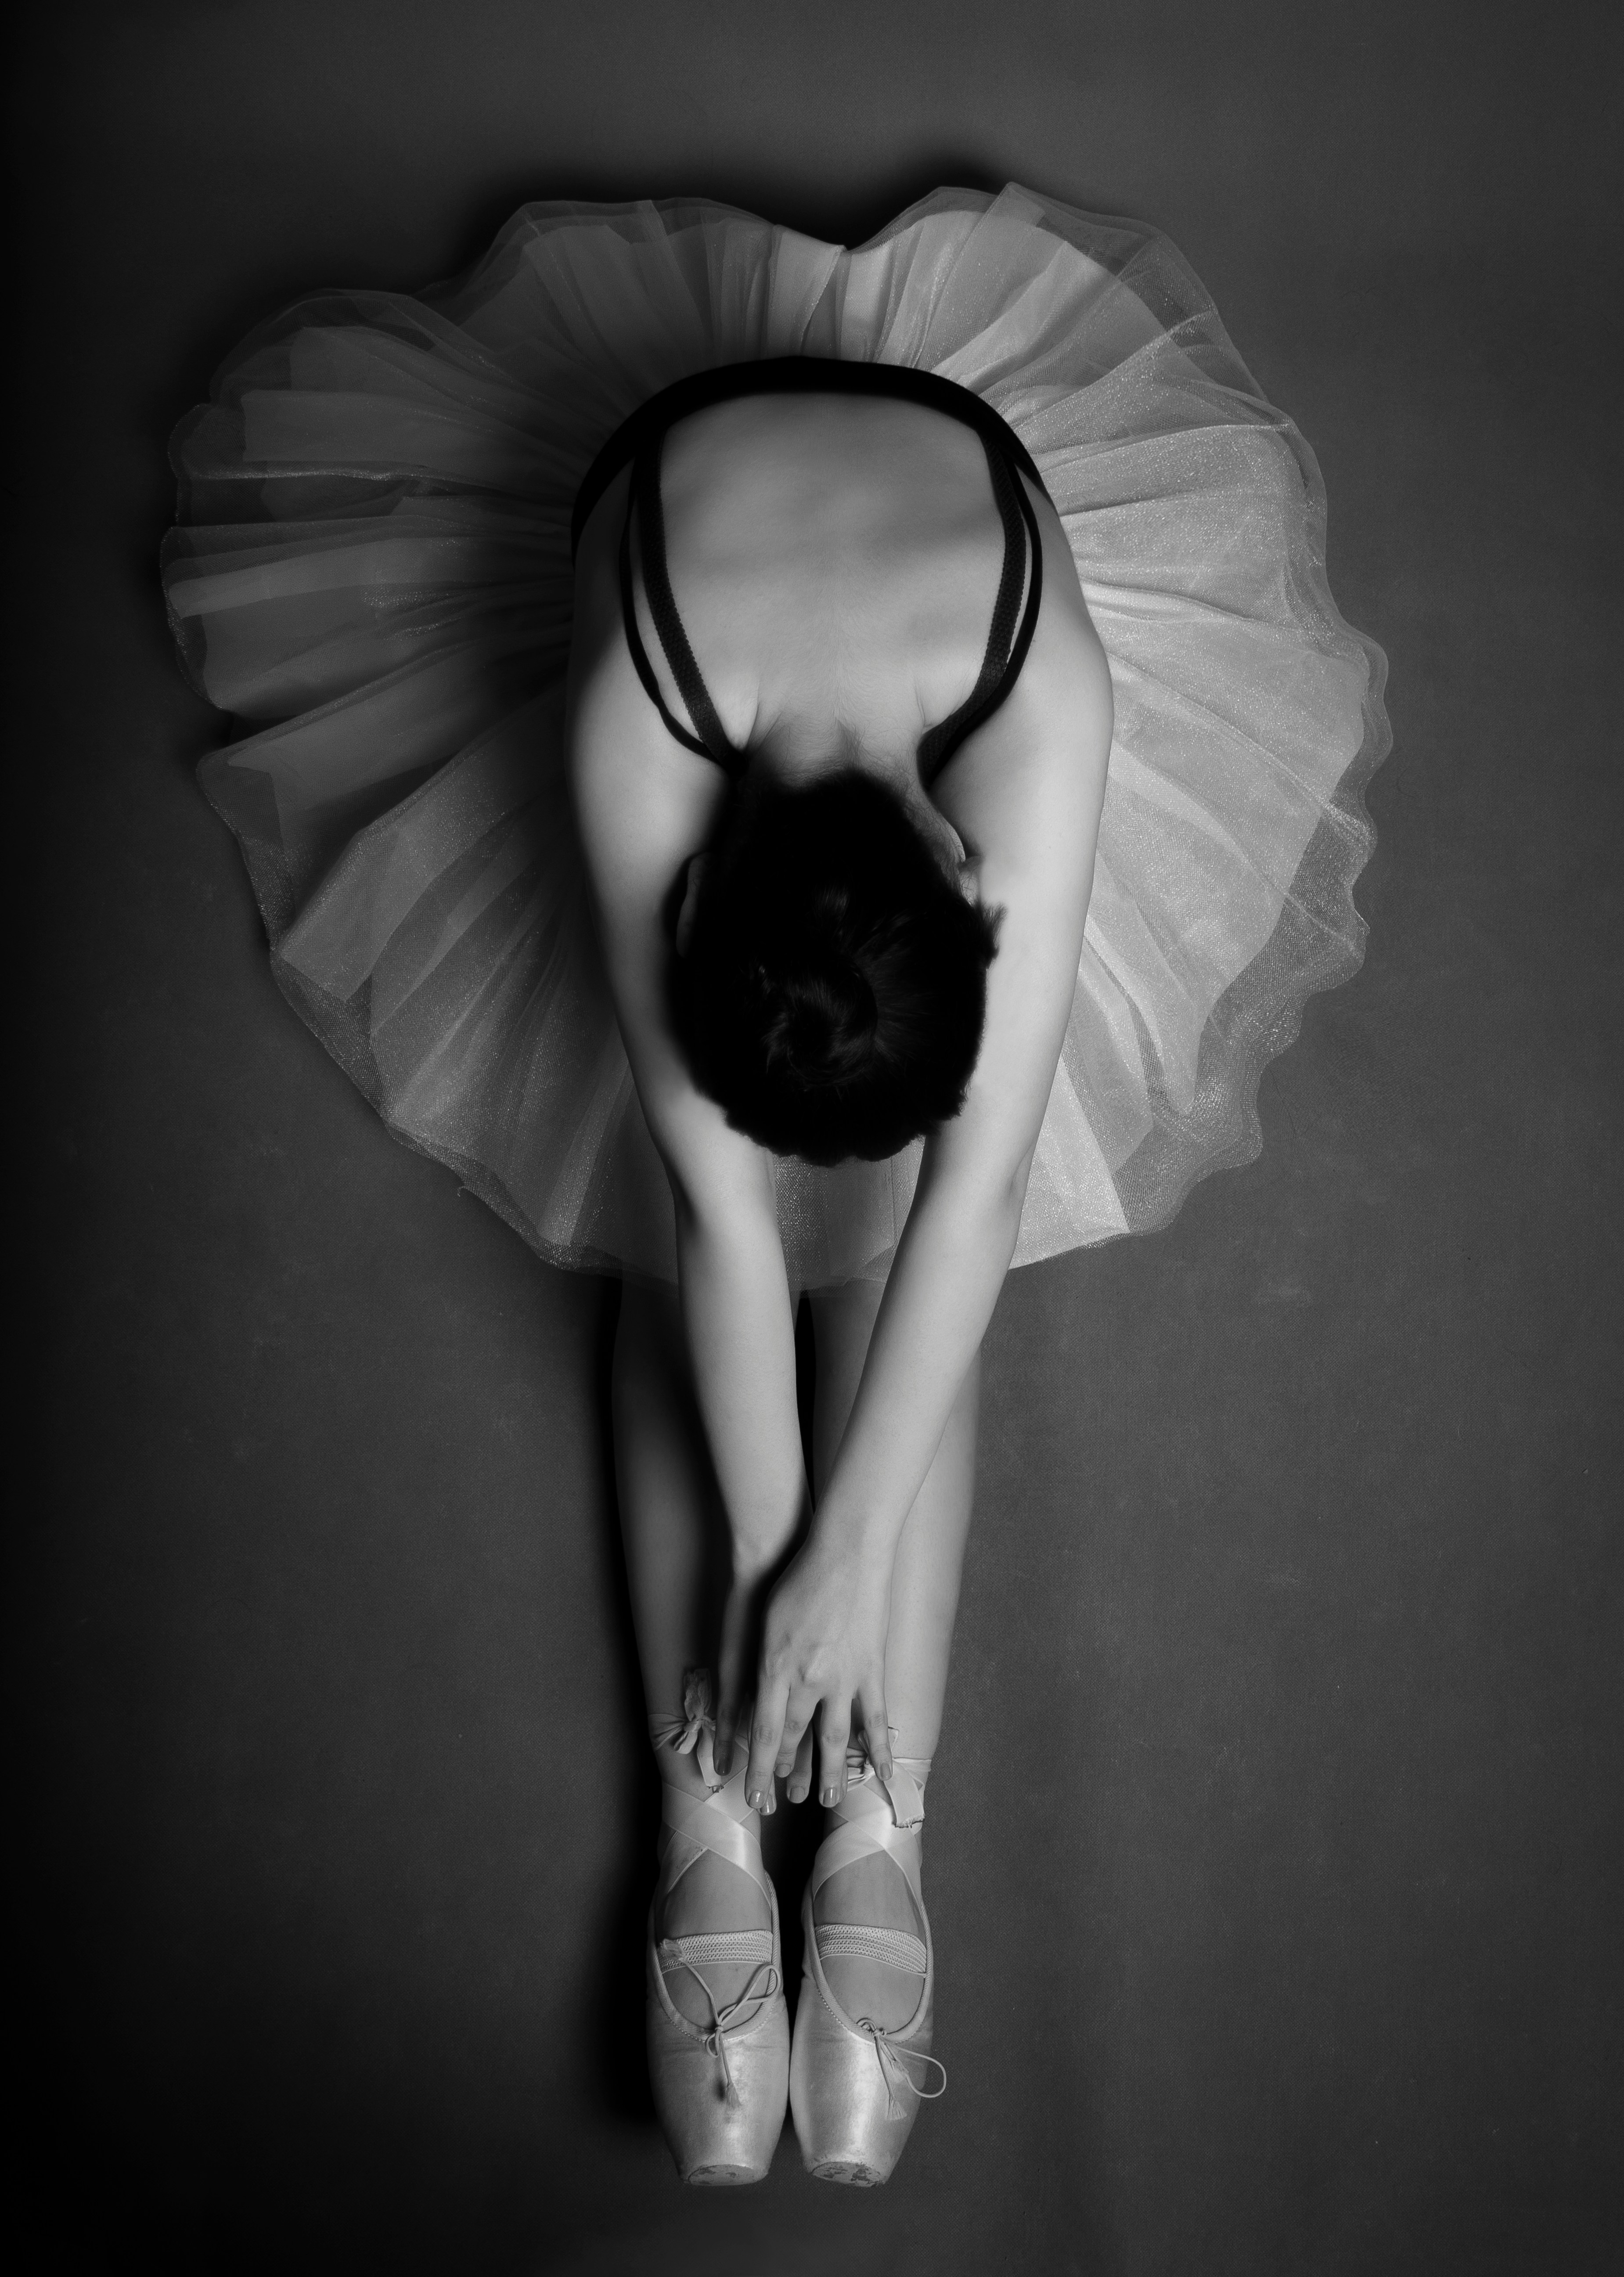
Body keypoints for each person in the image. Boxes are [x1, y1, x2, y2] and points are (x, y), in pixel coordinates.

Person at [163, 186, 1389, 2188]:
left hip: (943, 553)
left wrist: (835, 1562)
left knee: (920, 1251)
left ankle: (884, 1813)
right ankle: (718, 1801)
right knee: (672, 1236)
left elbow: (973, 1193)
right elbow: (721, 1213)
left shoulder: (1039, 722)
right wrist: (777, 1578)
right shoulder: (633, 740)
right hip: (690, 549)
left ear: (969, 887)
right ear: (691, 905)